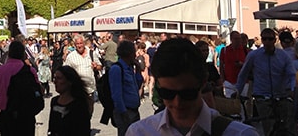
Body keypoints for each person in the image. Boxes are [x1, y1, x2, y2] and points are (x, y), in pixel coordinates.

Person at [127, 38, 257, 135]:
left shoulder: (241, 134)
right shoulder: (139, 132)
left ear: (202, 84)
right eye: (168, 94)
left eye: (187, 94)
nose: (177, 103)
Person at [236, 28, 296, 135]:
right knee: (269, 128)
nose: (267, 42)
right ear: (262, 40)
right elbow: (243, 74)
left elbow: (292, 74)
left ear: (275, 40)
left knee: (284, 127)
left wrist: (292, 89)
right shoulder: (254, 55)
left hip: (280, 96)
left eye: (270, 39)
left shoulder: (283, 56)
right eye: (265, 39)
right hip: (262, 97)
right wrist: (237, 92)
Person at [0, 40, 41, 136]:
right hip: (26, 117)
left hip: (6, 116)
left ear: (9, 53)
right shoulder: (30, 71)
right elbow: (39, 90)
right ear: (23, 54)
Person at [109, 40, 141, 135]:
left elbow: (137, 85)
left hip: (134, 110)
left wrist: (138, 71)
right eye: (134, 52)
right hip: (126, 111)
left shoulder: (130, 68)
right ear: (129, 53)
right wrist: (123, 112)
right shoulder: (117, 69)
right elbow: (116, 94)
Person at [48, 65, 91, 136]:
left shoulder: (79, 105)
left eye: (59, 78)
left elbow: (84, 131)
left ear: (69, 81)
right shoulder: (54, 101)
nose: (55, 82)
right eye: (54, 78)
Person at [64, 34, 102, 103]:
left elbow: (100, 66)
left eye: (81, 43)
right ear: (75, 45)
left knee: (89, 112)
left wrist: (96, 67)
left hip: (90, 90)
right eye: (77, 44)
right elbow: (65, 72)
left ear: (84, 43)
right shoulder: (71, 56)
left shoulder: (91, 53)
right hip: (77, 90)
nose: (79, 46)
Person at [219, 31, 248, 98]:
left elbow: (249, 66)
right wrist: (223, 80)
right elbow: (221, 65)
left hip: (243, 82)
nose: (238, 41)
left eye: (239, 38)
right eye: (236, 39)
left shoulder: (245, 50)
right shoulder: (224, 50)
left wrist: (242, 64)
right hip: (229, 82)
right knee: (231, 103)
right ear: (231, 39)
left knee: (242, 104)